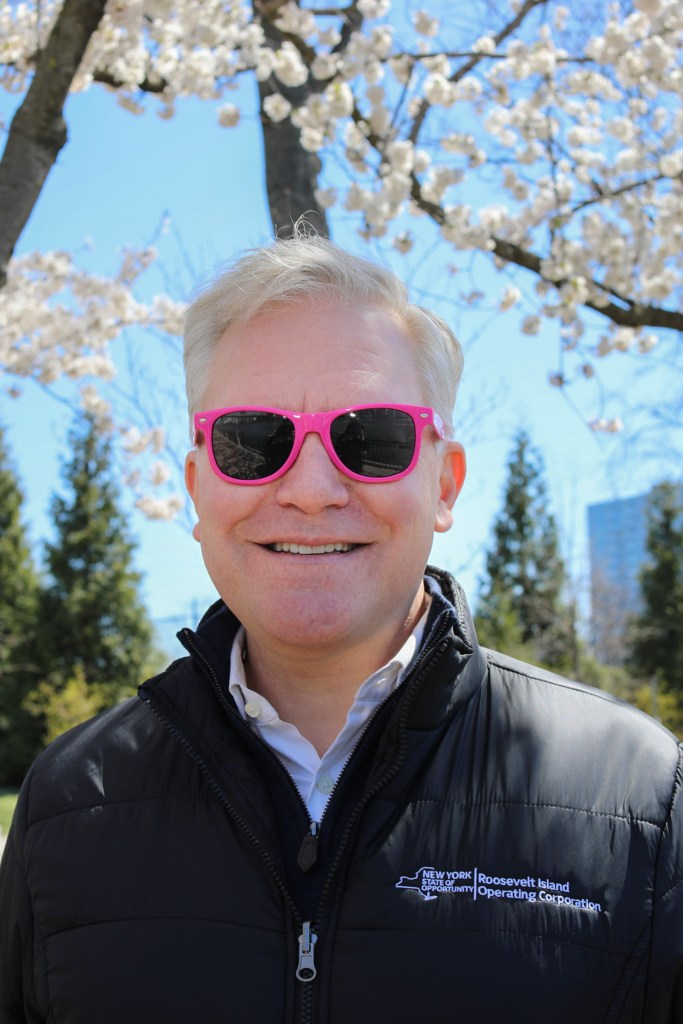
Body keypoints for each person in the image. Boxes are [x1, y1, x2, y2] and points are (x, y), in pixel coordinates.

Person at [1, 231, 681, 1024]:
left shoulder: (637, 794)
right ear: (196, 487)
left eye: (372, 439)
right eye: (252, 440)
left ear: (444, 483)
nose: (312, 489)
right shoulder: (66, 803)